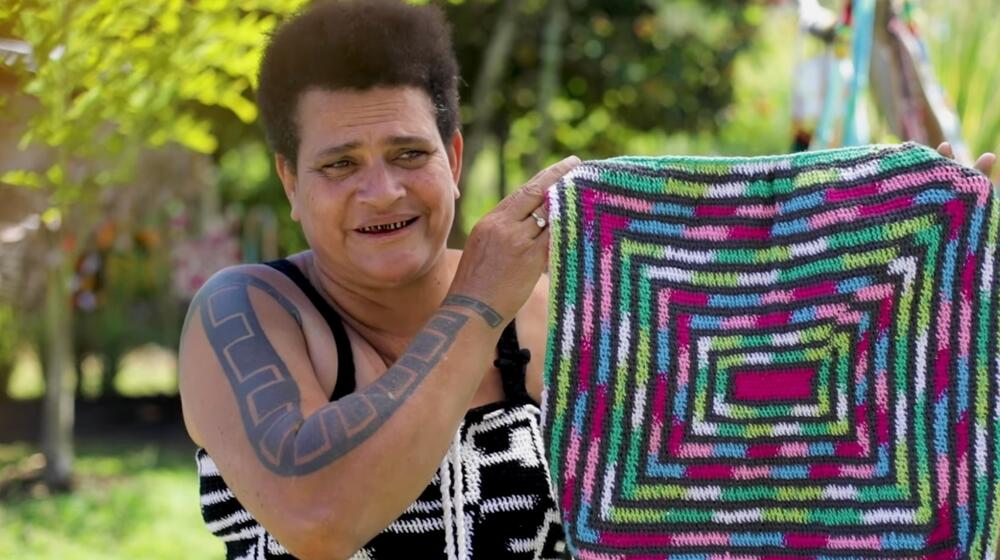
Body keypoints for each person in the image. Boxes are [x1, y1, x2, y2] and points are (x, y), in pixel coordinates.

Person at [178, 0, 578, 558]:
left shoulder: (547, 310)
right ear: (290, 182)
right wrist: (479, 305)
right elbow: (320, 517)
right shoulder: (244, 310)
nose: (383, 191)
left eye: (410, 153)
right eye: (340, 164)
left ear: (454, 160)